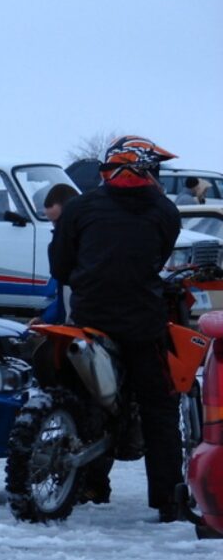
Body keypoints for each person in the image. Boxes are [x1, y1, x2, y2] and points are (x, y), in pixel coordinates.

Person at [49, 135, 183, 522]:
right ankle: (168, 500)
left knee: (82, 397)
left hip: (88, 318)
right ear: (147, 169)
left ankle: (92, 484)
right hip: (142, 322)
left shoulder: (80, 207)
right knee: (159, 407)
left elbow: (60, 266)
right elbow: (157, 260)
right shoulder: (164, 210)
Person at [32, 182, 80, 326]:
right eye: (53, 224)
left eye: (59, 222)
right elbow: (62, 294)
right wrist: (45, 319)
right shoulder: (62, 249)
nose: (57, 229)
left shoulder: (87, 251)